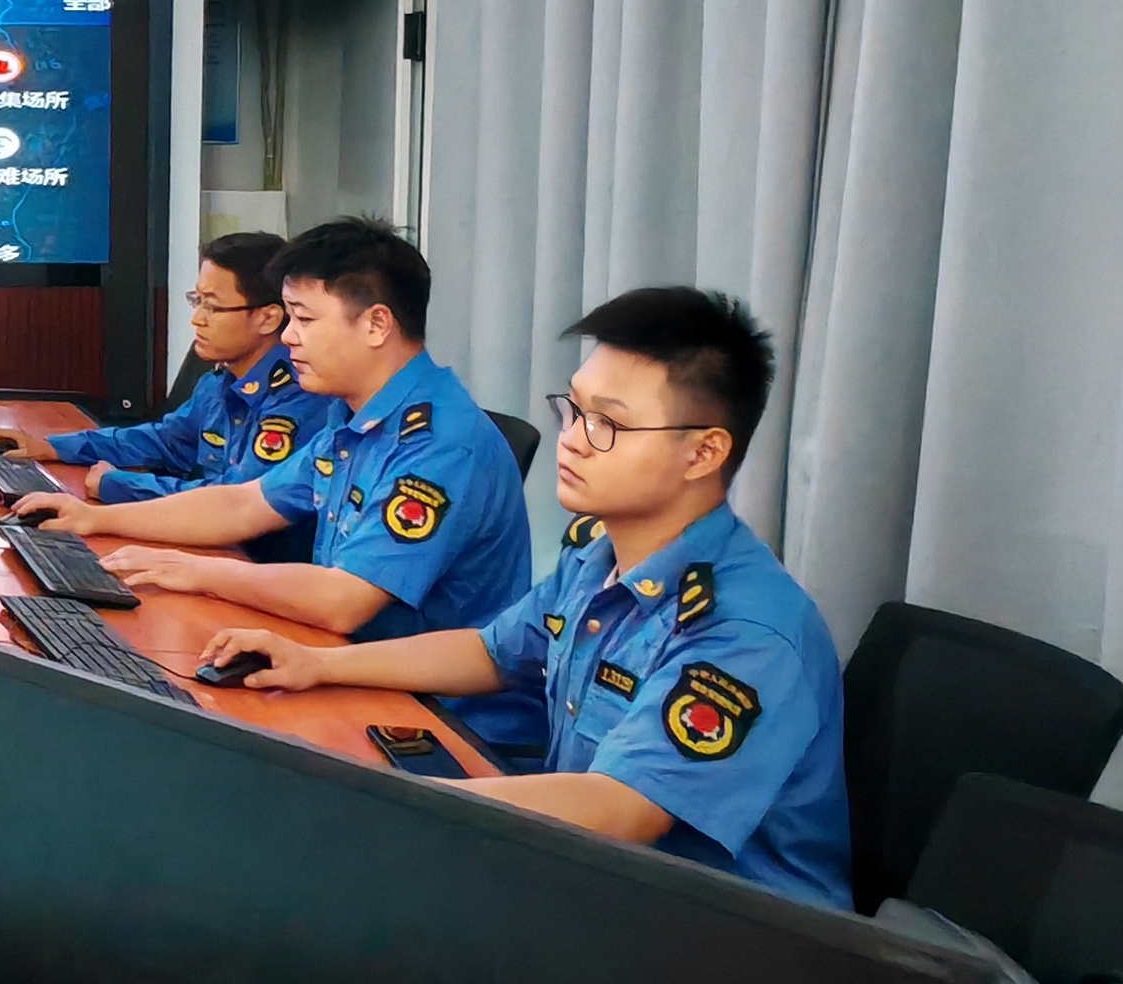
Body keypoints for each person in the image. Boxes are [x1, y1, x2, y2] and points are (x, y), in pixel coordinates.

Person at [191, 287, 848, 907]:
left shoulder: (746, 630)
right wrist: (315, 662)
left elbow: (621, 808)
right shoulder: (599, 555)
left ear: (703, 453)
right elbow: (491, 652)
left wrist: (392, 806)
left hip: (726, 934)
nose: (572, 439)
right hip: (594, 878)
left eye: (608, 425)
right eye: (574, 410)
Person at [6, 218, 535, 747]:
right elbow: (244, 504)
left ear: (377, 324)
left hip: (443, 719)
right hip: (346, 663)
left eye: (304, 318)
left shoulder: (441, 443)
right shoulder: (353, 414)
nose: (287, 336)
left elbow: (344, 600)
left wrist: (199, 572)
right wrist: (95, 518)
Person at [0, 232, 343, 515]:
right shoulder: (221, 381)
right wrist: (51, 447)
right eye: (197, 301)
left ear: (267, 318)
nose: (197, 319)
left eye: (212, 306)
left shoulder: (299, 395)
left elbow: (235, 501)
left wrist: (117, 485)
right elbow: (165, 441)